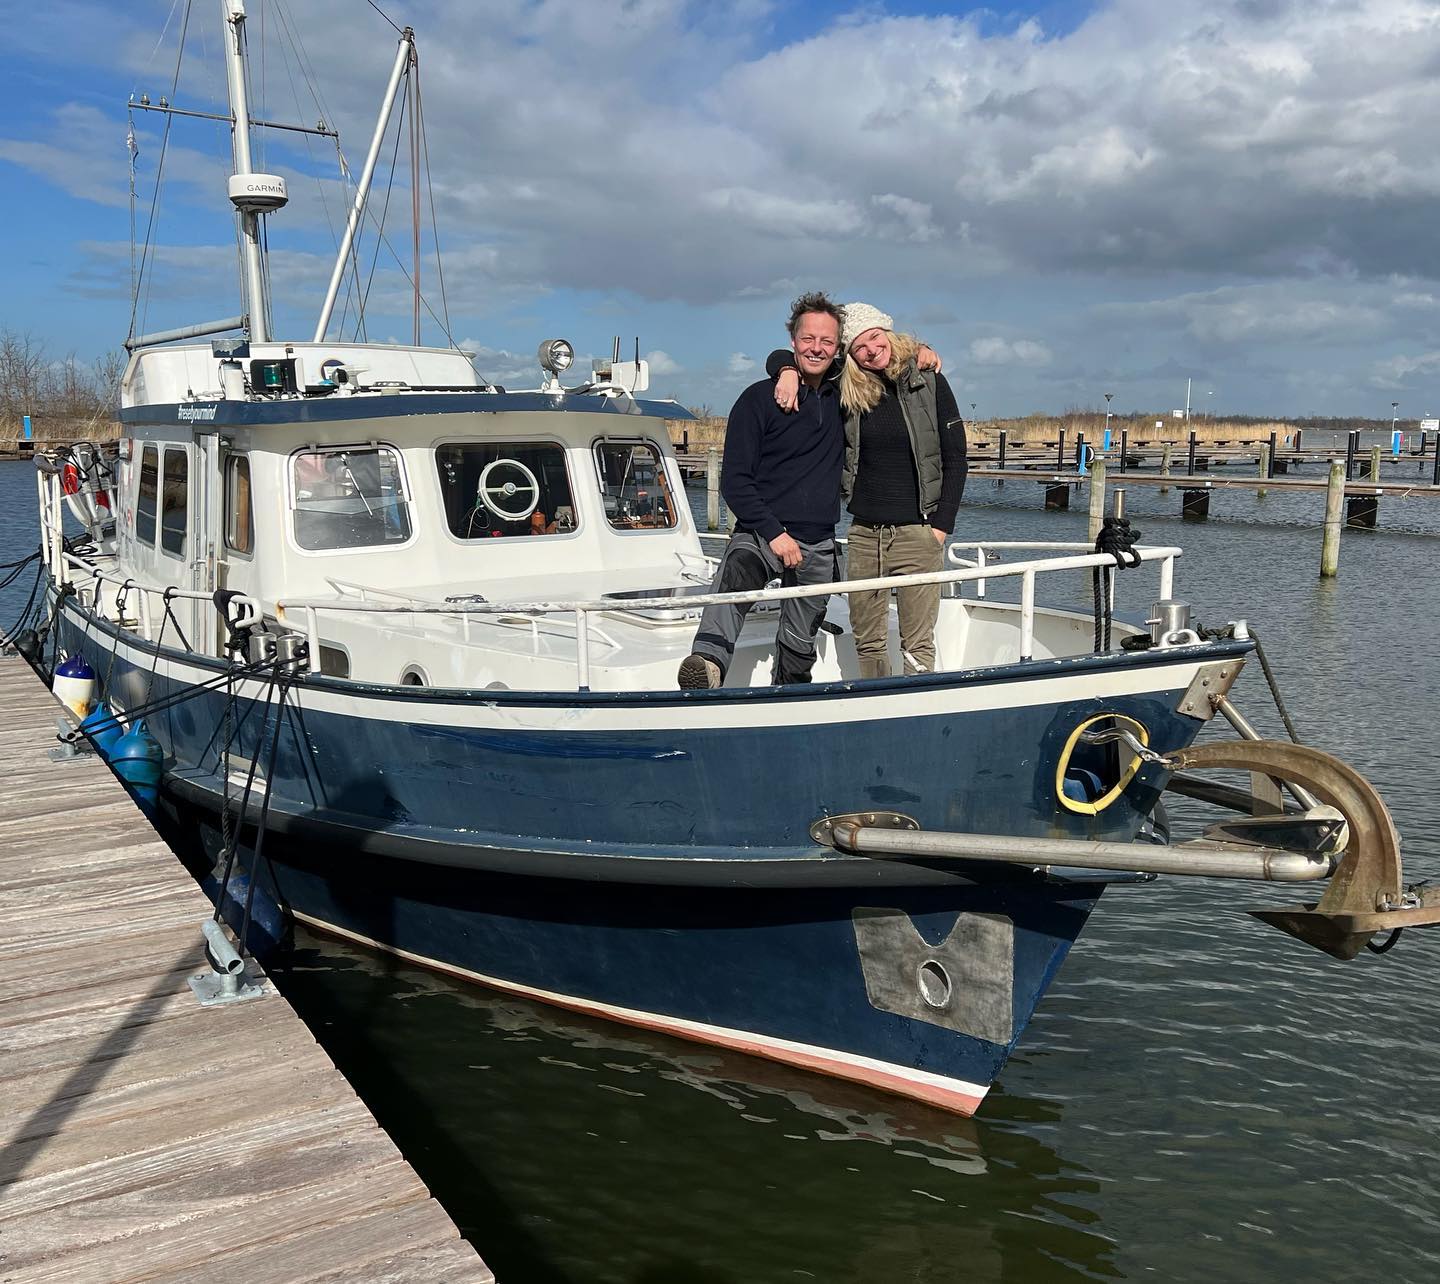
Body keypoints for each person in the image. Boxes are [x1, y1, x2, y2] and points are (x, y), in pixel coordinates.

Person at [769, 303, 967, 678]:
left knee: (918, 641)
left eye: (875, 337)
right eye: (859, 346)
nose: (871, 350)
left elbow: (956, 458)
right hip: (863, 536)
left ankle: (916, 707)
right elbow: (798, 353)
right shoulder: (847, 385)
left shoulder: (930, 380)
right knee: (869, 640)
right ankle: (878, 708)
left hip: (918, 534)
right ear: (850, 354)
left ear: (887, 332)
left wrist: (940, 528)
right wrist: (786, 371)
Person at [677, 292, 846, 689]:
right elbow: (735, 481)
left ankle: (786, 696)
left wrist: (920, 351)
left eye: (827, 341)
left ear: (837, 348)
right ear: (793, 341)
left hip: (818, 541)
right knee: (734, 581)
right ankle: (707, 666)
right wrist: (775, 534)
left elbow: (880, 357)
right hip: (761, 532)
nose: (816, 348)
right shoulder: (758, 399)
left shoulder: (846, 395)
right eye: (808, 339)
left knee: (801, 640)